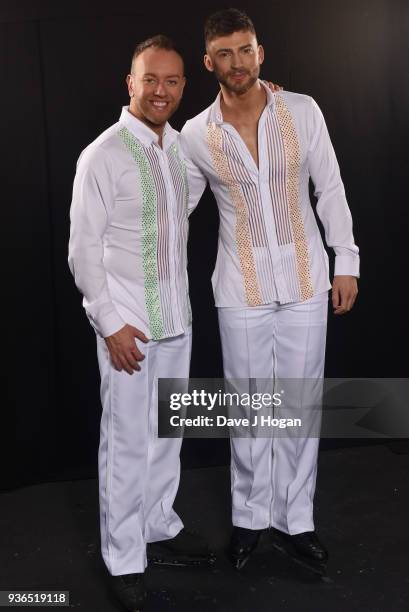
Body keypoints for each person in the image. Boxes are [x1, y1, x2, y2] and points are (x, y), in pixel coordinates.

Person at [180, 8, 359, 570]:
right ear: (210, 63)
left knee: (299, 405)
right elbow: (176, 210)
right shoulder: (195, 135)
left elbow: (329, 186)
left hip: (308, 280)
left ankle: (295, 521)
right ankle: (251, 520)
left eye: (246, 49)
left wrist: (346, 260)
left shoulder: (302, 111)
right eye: (225, 53)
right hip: (240, 287)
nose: (238, 62)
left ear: (261, 52)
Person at [68, 35, 212, 612]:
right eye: (150, 79)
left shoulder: (181, 151)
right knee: (127, 445)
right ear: (130, 83)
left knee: (167, 438)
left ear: (182, 87)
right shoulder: (100, 155)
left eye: (172, 81)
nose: (161, 90)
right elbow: (82, 250)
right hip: (127, 331)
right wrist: (109, 324)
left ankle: (158, 526)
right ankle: (123, 557)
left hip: (176, 323)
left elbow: (183, 208)